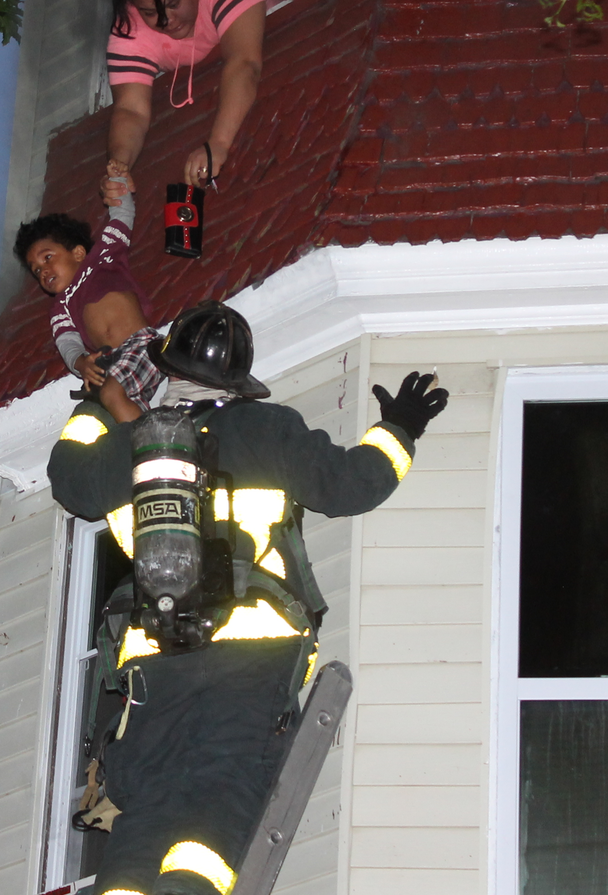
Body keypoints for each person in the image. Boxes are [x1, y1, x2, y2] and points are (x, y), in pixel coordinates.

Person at [47, 301, 447, 895]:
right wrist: (401, 428)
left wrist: (91, 403)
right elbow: (350, 484)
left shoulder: (135, 445)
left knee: (150, 803)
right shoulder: (267, 430)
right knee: (223, 791)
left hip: (157, 660)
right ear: (237, 383)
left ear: (166, 368)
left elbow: (69, 477)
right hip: (254, 653)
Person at [101, 0, 271, 208]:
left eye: (173, 4)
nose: (165, 21)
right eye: (150, 13)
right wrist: (119, 165)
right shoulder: (128, 25)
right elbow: (131, 110)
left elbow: (244, 62)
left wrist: (219, 143)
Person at [14, 170, 166, 424]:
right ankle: (151, 442)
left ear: (78, 253)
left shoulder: (103, 256)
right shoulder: (60, 308)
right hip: (113, 361)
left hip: (142, 344)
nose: (44, 271)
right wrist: (80, 363)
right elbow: (67, 343)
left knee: (110, 393)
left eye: (48, 257)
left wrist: (117, 178)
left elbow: (122, 213)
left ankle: (148, 441)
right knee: (112, 408)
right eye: (37, 270)